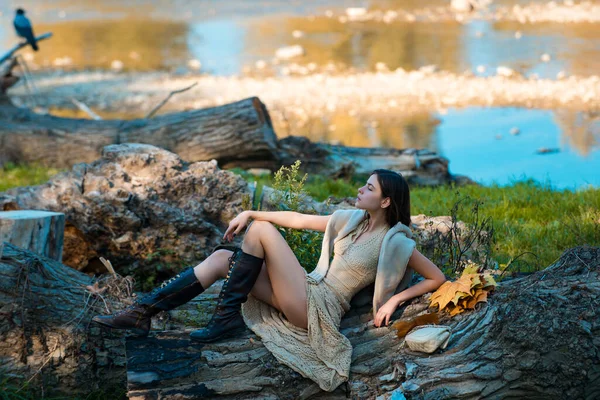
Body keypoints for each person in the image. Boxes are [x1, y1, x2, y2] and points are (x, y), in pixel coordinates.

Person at [92, 169, 446, 392]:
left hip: (318, 307)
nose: (360, 190)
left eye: (368, 188)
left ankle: (225, 317)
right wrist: (251, 210)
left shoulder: (396, 241)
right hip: (306, 289)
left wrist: (394, 300)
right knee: (221, 259)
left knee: (260, 231)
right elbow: (297, 219)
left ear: (385, 201)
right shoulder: (351, 219)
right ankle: (142, 312)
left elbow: (436, 277)